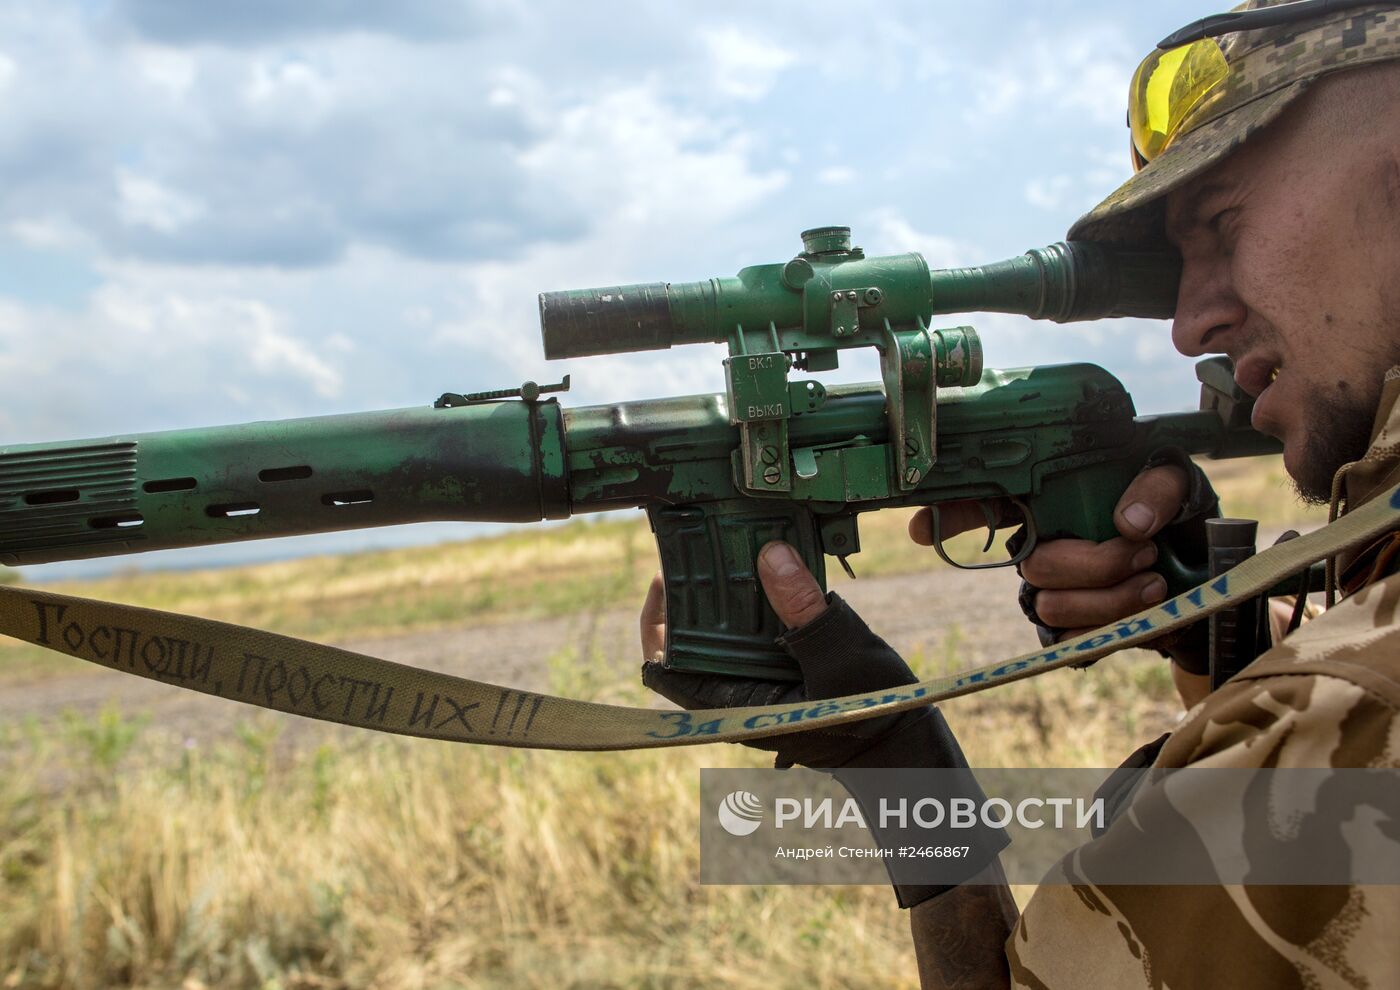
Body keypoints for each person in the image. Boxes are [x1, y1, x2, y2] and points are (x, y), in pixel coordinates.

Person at [641, 2, 1400, 987]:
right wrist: (1239, 639)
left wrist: (898, 759)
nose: (1189, 324)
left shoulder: (1345, 704)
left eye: (1221, 224)